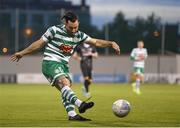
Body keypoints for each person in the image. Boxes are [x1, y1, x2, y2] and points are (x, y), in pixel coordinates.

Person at [11, 11, 120, 121]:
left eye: (76, 27)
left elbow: (96, 42)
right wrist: (22, 53)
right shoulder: (54, 30)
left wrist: (111, 43)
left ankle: (72, 115)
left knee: (66, 88)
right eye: (71, 28)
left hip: (63, 65)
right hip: (50, 62)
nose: (73, 30)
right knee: (65, 83)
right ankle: (80, 104)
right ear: (65, 23)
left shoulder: (79, 35)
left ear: (78, 24)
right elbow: (39, 43)